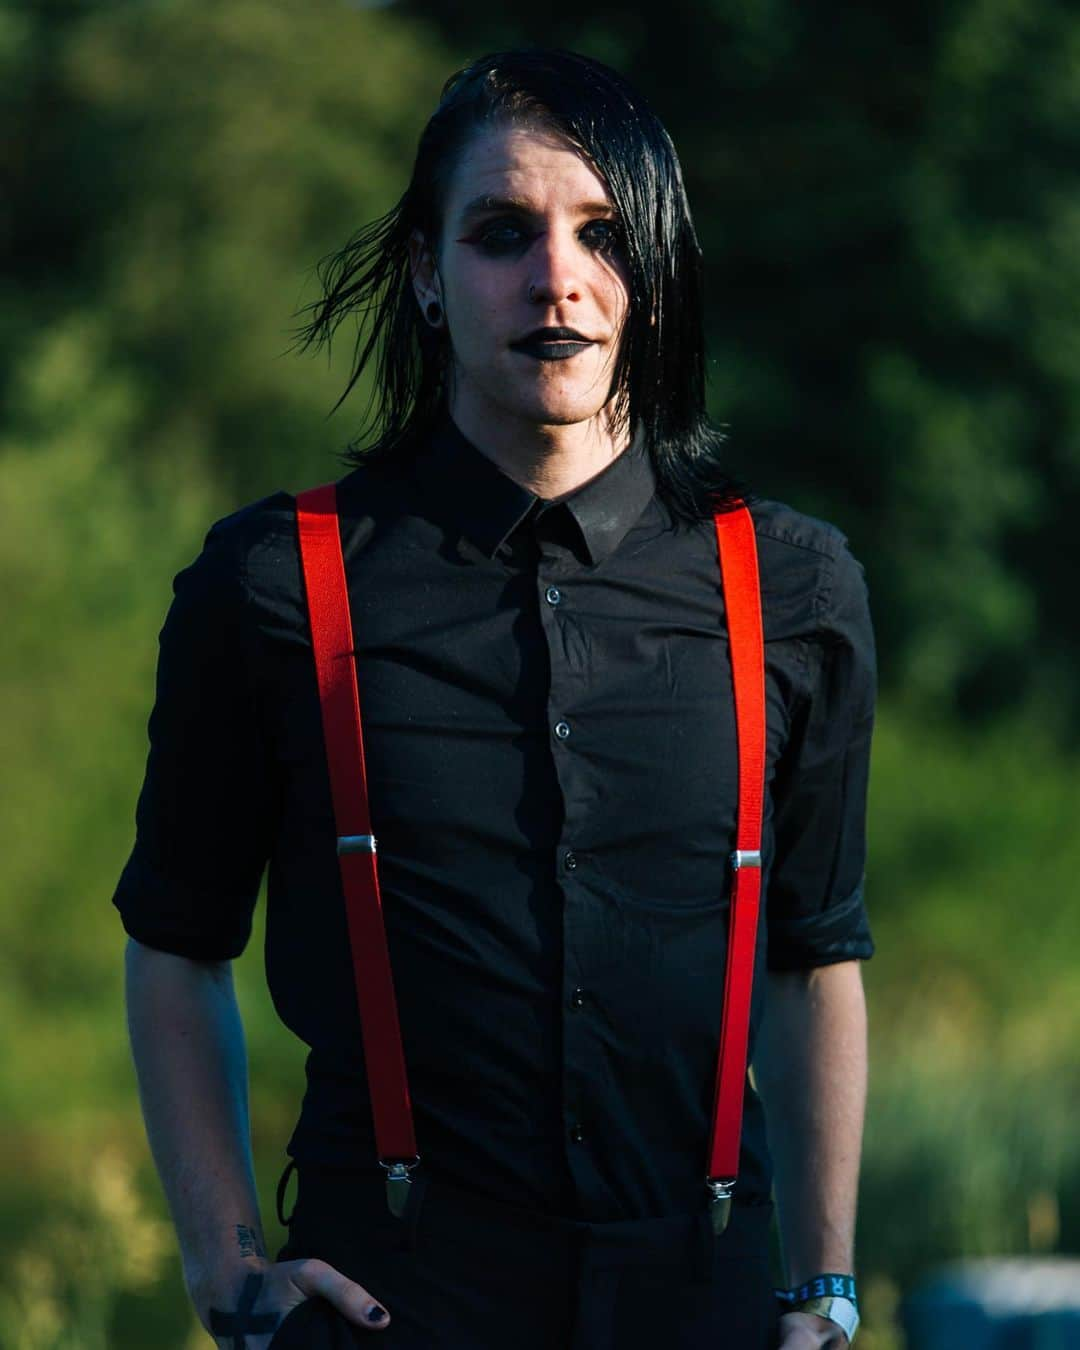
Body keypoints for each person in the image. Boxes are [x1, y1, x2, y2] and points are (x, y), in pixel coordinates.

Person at [114, 48, 875, 1350]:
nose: (557, 278)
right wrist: (233, 1275)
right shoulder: (274, 586)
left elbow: (812, 957)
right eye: (501, 233)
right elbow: (177, 944)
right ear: (423, 270)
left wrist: (822, 1287)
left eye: (603, 235)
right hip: (392, 1301)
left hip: (706, 1301)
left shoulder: (793, 585)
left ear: (659, 270)